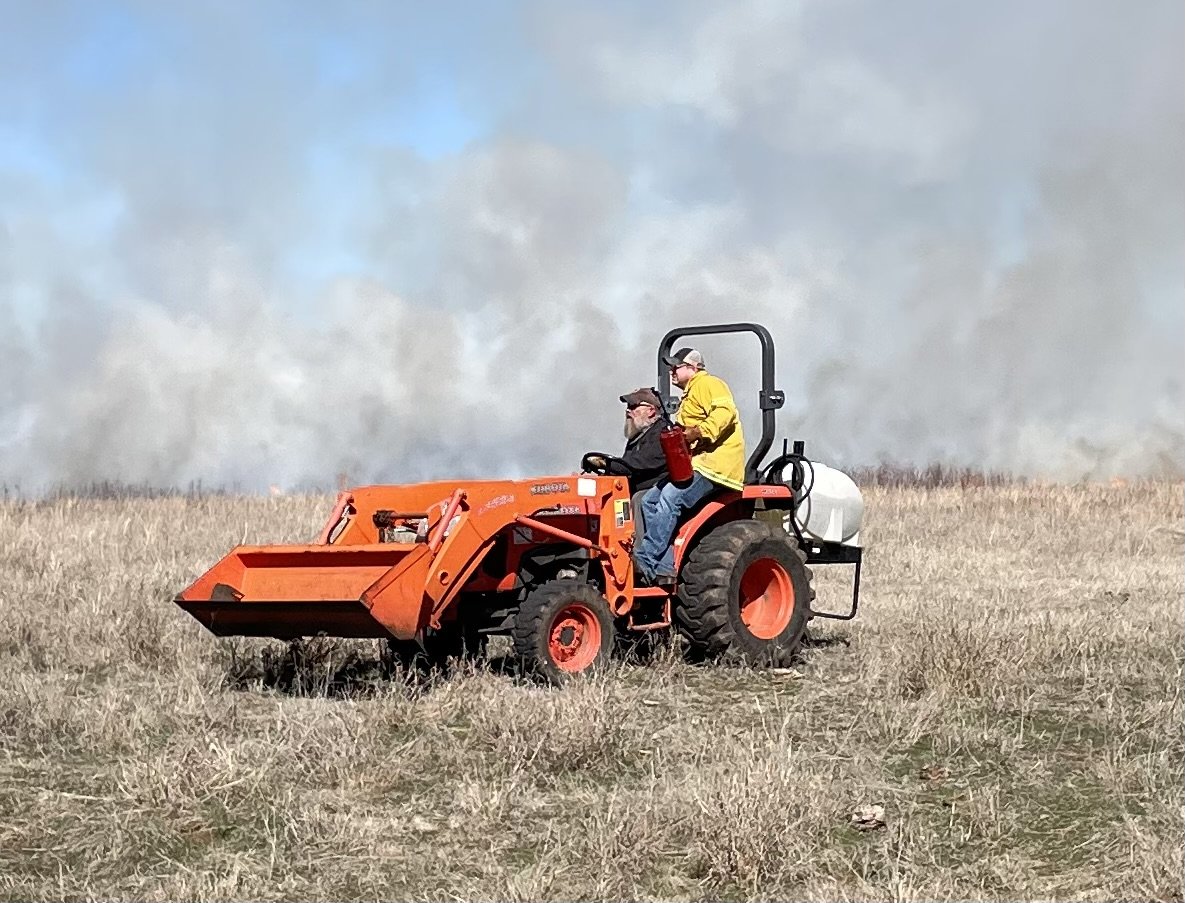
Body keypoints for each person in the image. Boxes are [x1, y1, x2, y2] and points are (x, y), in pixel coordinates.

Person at [633, 348, 745, 586]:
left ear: (694, 368)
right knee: (648, 500)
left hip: (715, 466)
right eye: (671, 366)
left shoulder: (710, 384)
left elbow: (726, 413)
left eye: (677, 366)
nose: (672, 370)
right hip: (696, 464)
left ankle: (645, 560)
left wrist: (700, 431)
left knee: (671, 498)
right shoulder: (689, 395)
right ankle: (663, 568)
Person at [585, 388, 669, 492]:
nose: (628, 410)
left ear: (651, 411)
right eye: (628, 406)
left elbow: (637, 464)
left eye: (633, 406)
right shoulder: (638, 436)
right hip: (635, 488)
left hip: (655, 489)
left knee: (639, 500)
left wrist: (605, 463)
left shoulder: (663, 434)